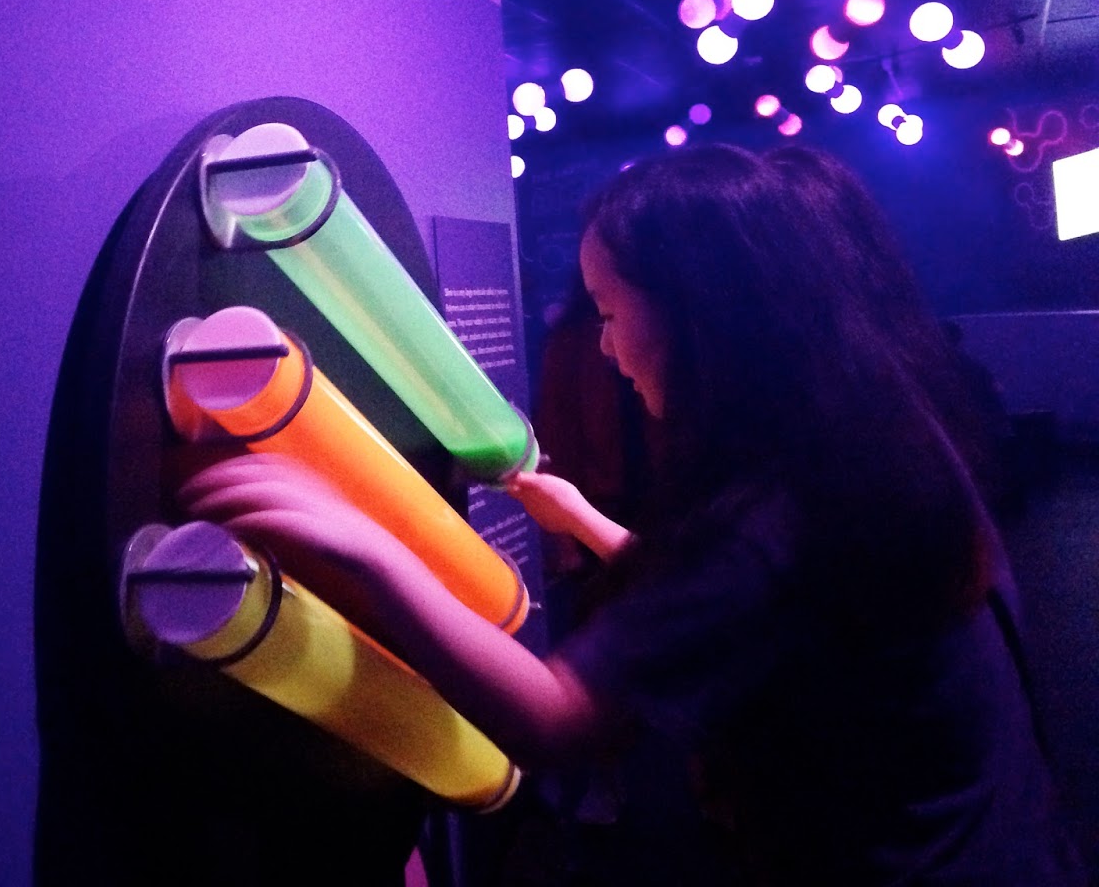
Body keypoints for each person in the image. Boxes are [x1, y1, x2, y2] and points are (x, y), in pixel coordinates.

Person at [180, 144, 1083, 886]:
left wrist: (369, 549)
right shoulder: (879, 435)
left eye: (611, 312)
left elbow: (556, 719)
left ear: (706, 322)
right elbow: (765, 603)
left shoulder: (771, 515)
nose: (606, 348)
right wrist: (585, 520)